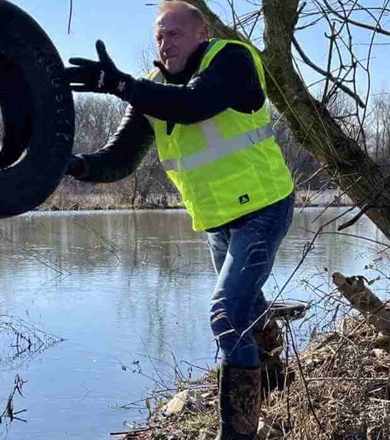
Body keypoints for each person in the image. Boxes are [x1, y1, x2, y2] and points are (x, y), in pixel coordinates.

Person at [63, 2, 295, 438]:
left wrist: (118, 84)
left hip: (264, 208)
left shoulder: (231, 59)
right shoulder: (151, 90)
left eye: (173, 34)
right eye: (158, 36)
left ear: (201, 33)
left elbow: (196, 104)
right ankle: (278, 381)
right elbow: (119, 158)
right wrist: (70, 165)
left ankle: (239, 433)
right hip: (217, 220)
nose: (164, 43)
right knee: (246, 307)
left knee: (226, 315)